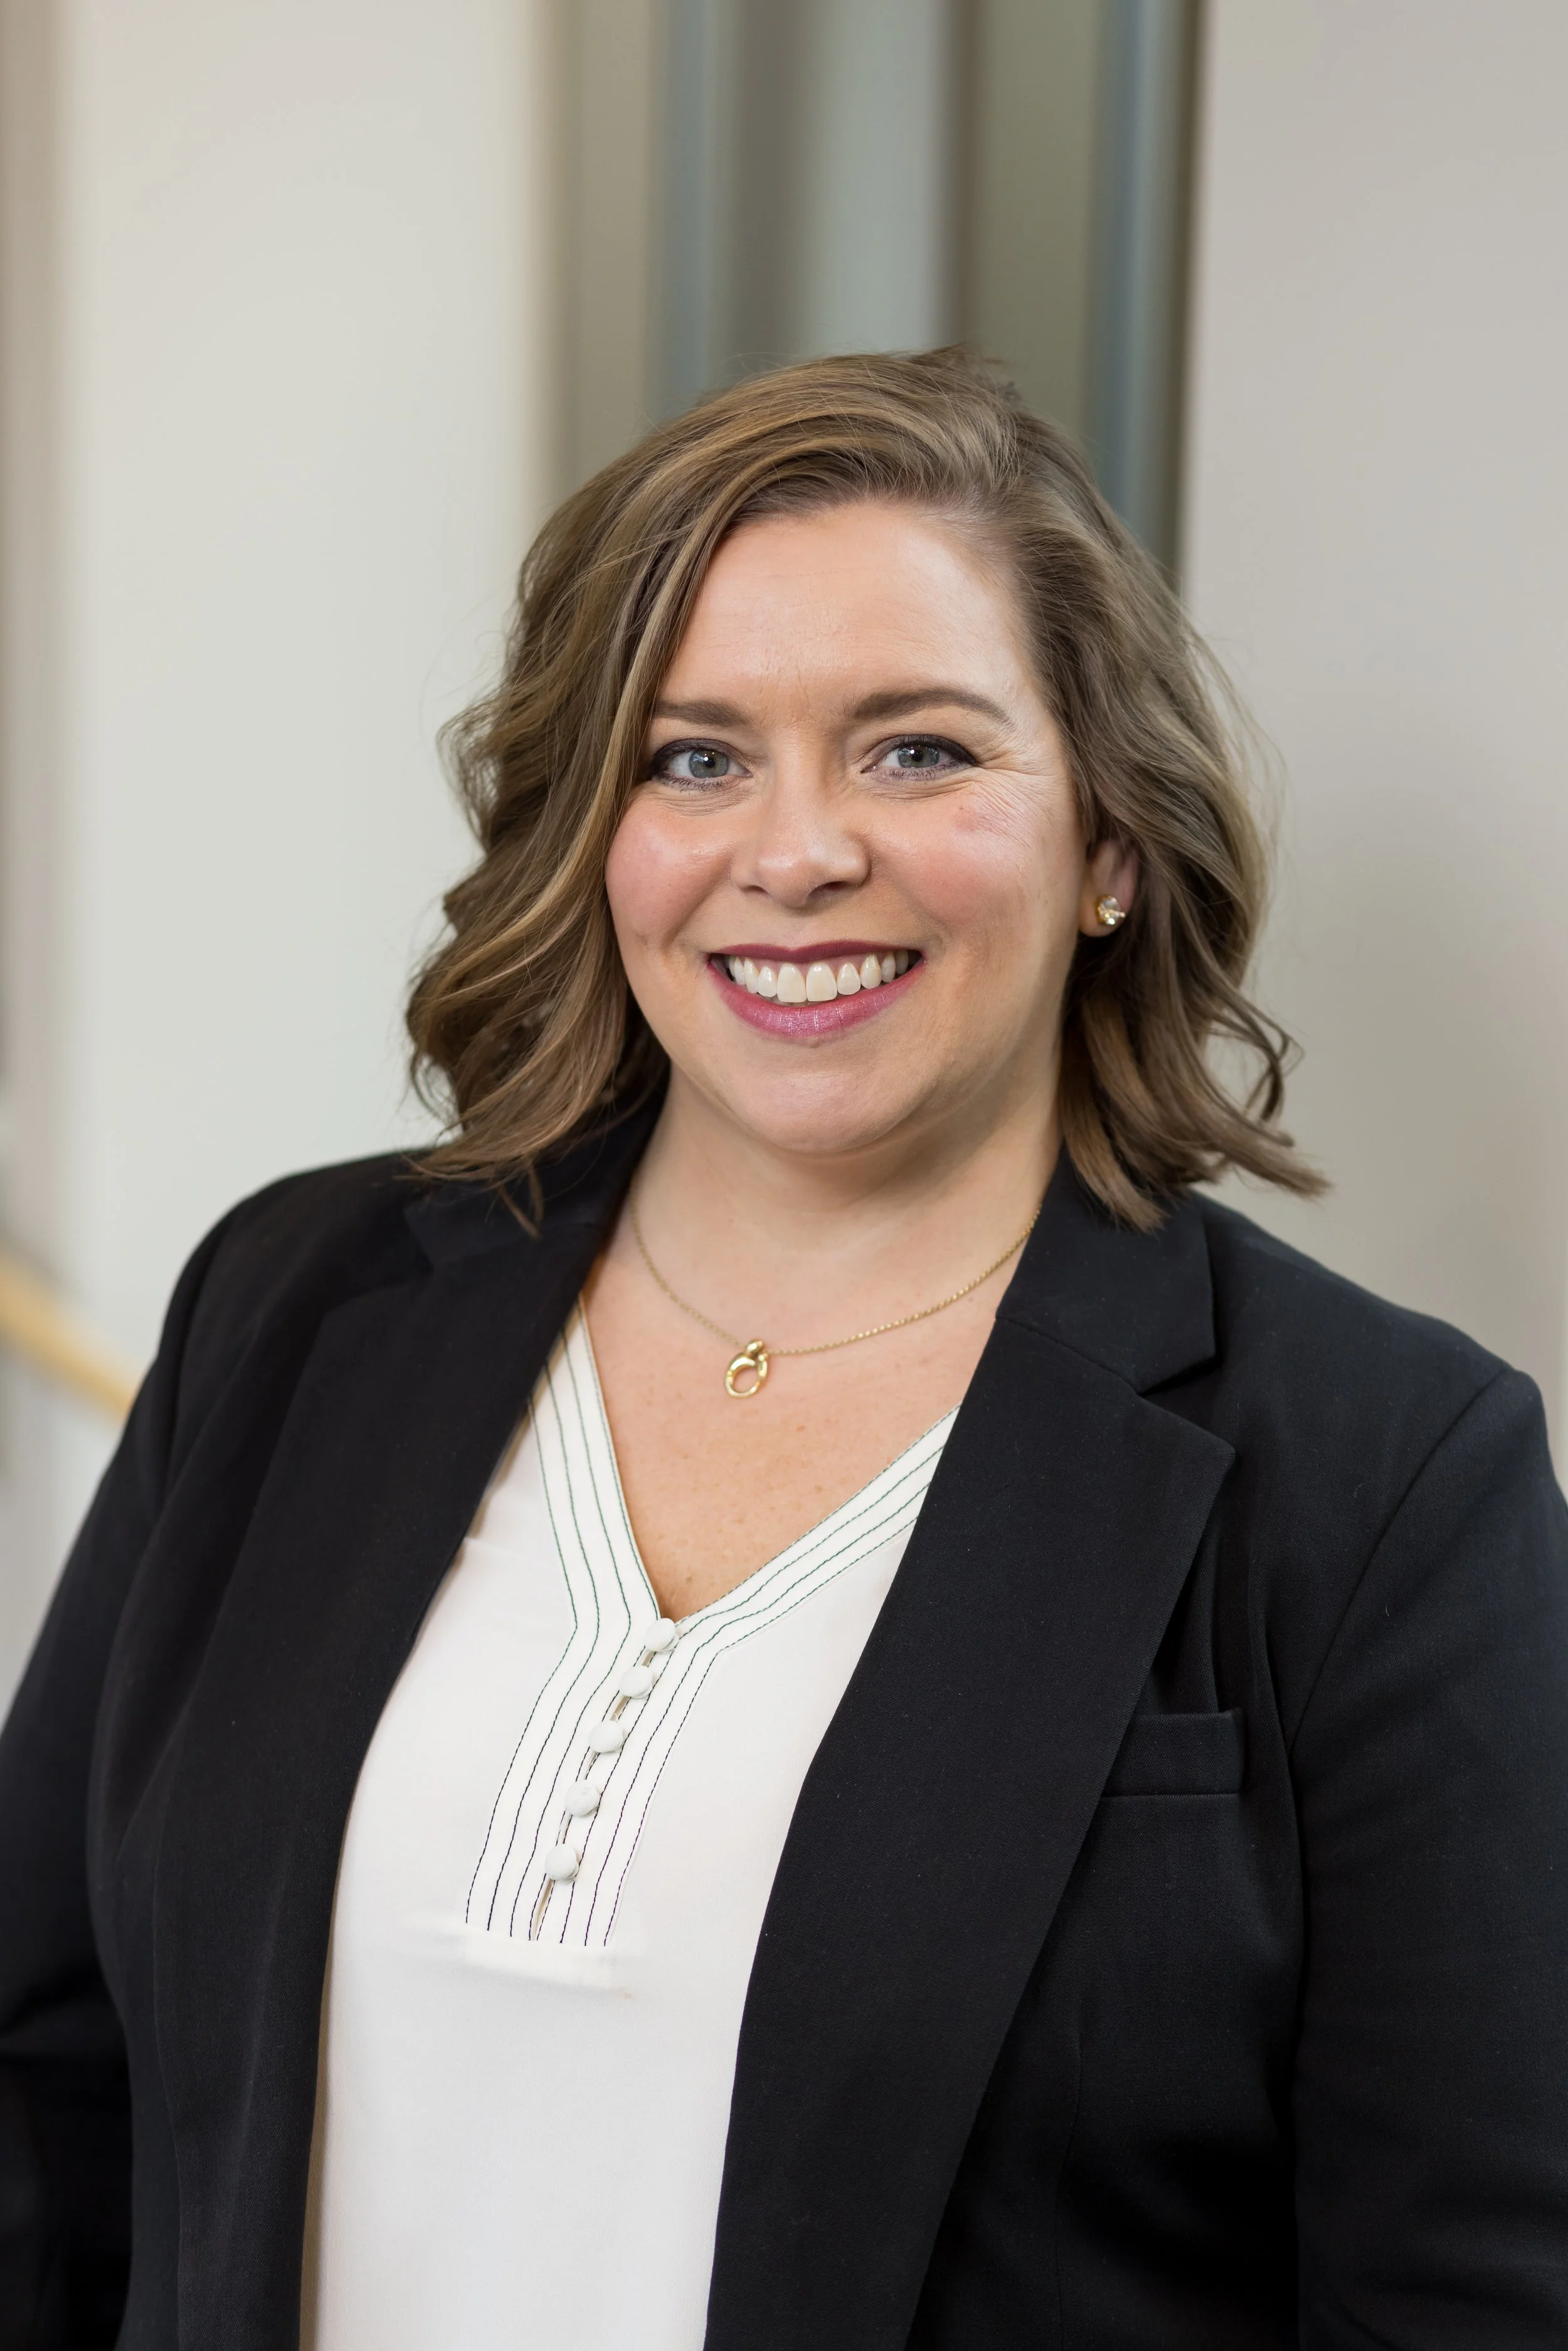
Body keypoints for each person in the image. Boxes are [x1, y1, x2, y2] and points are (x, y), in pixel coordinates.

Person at [3, 348, 1567, 2351]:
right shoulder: (300, 1302)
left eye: (916, 750)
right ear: (597, 833)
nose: (798, 848)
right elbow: (42, 2090)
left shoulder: (1379, 1477)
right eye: (692, 757)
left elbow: (1471, 2293)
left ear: (1106, 839)